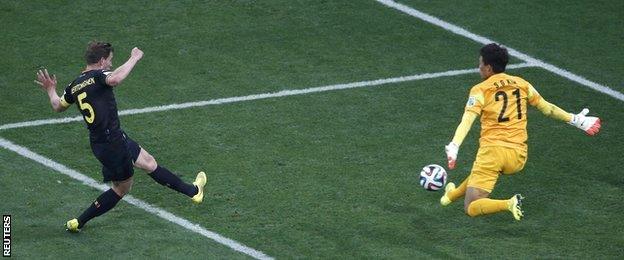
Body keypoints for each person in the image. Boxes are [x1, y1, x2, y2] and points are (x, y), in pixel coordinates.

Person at [34, 41, 207, 232]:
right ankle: (79, 221)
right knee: (122, 188)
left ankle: (194, 191)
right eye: (109, 61)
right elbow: (115, 79)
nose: (110, 64)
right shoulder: (99, 75)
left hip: (105, 141)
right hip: (112, 142)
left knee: (148, 162)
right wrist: (134, 58)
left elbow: (58, 106)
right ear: (101, 61)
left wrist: (50, 89)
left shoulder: (74, 85)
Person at [440, 43, 601, 220]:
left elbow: (468, 119)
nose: (478, 68)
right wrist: (576, 120)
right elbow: (548, 109)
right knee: (478, 173)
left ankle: (508, 203)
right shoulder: (522, 84)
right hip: (518, 156)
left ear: (488, 67)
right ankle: (450, 196)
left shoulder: (480, 90)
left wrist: (455, 145)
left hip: (492, 153)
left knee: (471, 206)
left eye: (480, 64)